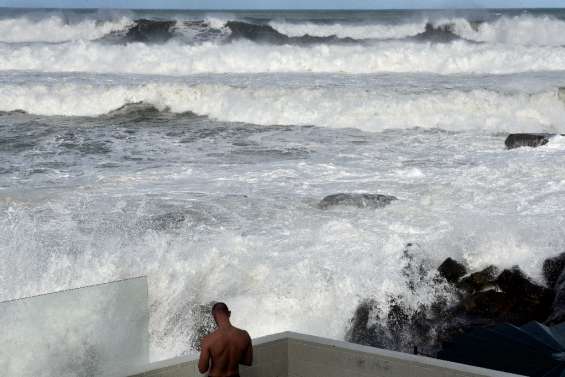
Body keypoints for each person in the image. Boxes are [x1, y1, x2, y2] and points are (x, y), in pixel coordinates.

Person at [198, 302, 253, 377]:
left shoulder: (208, 340)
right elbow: (248, 361)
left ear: (213, 316)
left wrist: (217, 358)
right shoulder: (244, 335)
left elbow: (202, 369)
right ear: (229, 313)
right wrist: (234, 357)